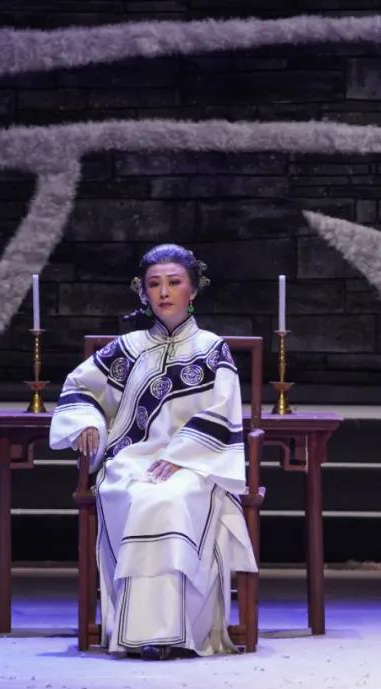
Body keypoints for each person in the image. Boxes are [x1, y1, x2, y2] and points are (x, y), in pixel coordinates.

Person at [50, 244, 257, 660]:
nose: (164, 292)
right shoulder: (125, 348)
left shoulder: (212, 348)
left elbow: (223, 410)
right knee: (137, 494)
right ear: (143, 292)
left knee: (170, 498)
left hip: (196, 462)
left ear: (192, 290)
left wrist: (180, 456)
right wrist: (87, 421)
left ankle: (174, 632)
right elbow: (79, 387)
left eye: (174, 282)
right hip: (132, 459)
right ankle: (142, 633)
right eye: (154, 284)